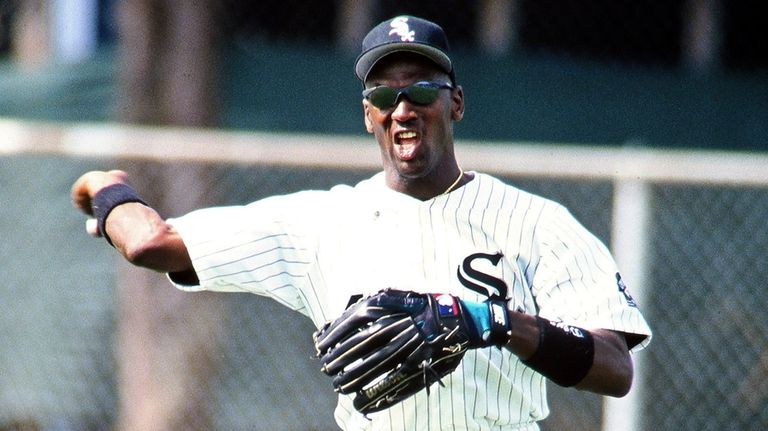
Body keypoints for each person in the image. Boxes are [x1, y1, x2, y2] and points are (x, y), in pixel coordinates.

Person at [72, 15, 651, 431]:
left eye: (422, 89)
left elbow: (614, 366)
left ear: (456, 103)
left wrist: (491, 321)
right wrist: (107, 189)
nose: (405, 107)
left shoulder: (537, 225)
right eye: (386, 93)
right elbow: (151, 242)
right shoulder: (321, 224)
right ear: (368, 114)